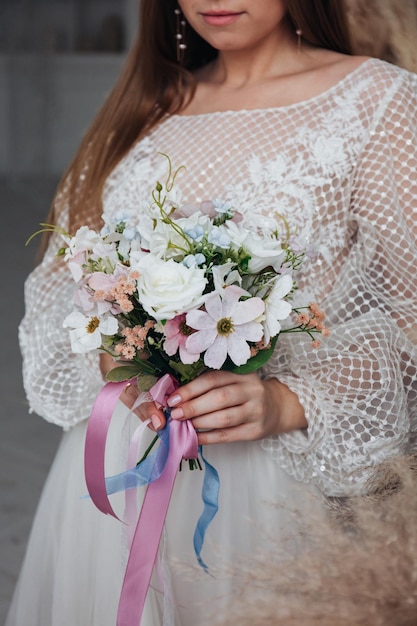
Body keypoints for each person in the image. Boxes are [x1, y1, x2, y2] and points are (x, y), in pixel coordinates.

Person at [6, 1, 417, 625]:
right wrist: (116, 353)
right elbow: (62, 284)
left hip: (266, 482)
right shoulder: (143, 109)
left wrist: (288, 400)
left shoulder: (377, 101)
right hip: (116, 465)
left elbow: (409, 317)